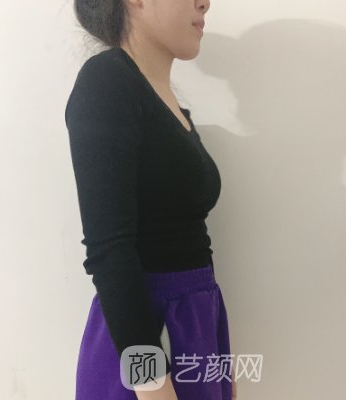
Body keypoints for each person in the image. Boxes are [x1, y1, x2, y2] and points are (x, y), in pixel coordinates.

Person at [65, 0, 236, 399]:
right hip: (145, 339)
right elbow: (109, 250)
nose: (205, 2)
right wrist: (151, 383)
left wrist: (219, 359)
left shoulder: (176, 108)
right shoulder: (106, 81)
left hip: (194, 326)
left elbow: (195, 246)